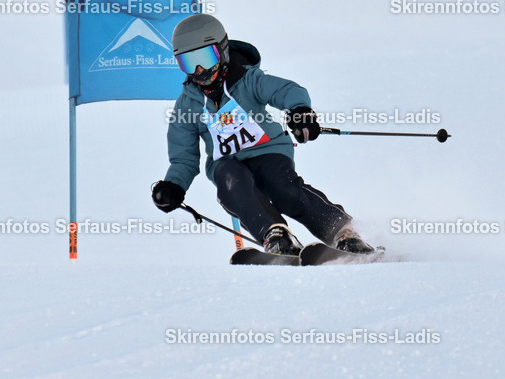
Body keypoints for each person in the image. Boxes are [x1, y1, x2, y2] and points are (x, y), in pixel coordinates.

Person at [151, 14, 375, 256]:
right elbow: (184, 158)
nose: (200, 70)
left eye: (206, 58)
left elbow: (287, 90)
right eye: (188, 63)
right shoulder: (187, 105)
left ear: (223, 51)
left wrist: (299, 112)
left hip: (268, 150)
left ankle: (341, 231)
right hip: (226, 164)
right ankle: (275, 235)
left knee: (282, 189)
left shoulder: (247, 80)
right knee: (231, 184)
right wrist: (174, 185)